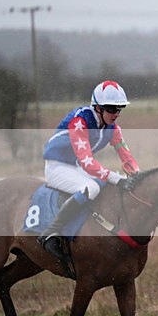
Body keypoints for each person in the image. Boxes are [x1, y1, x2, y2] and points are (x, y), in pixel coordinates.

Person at [37, 80, 140, 263]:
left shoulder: (113, 129)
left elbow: (126, 156)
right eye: (110, 108)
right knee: (91, 188)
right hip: (56, 166)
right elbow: (87, 162)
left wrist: (136, 174)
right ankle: (50, 232)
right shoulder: (80, 121)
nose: (115, 114)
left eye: (119, 109)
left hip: (74, 166)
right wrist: (118, 178)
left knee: (105, 186)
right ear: (98, 108)